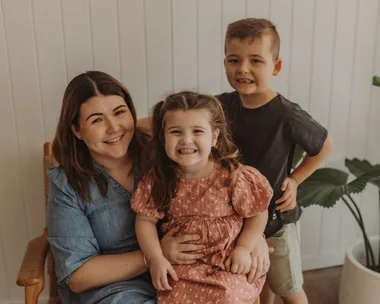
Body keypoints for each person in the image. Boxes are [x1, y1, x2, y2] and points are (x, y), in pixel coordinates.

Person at [47, 71, 207, 304]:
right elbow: (78, 275)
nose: (114, 128)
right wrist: (155, 255)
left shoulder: (162, 153)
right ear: (76, 130)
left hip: (184, 275)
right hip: (115, 290)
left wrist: (253, 238)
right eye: (97, 120)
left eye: (120, 113)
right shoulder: (67, 184)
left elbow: (209, 121)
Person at [217, 18, 333, 304]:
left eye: (255, 60)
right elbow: (178, 114)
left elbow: (324, 145)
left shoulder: (287, 115)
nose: (243, 69)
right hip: (240, 220)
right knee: (254, 282)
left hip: (275, 220)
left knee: (287, 288)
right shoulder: (222, 105)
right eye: (234, 60)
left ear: (275, 67)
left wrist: (294, 179)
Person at [131, 91, 273, 303]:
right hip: (184, 265)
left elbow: (257, 214)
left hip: (228, 263)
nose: (186, 140)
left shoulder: (232, 177)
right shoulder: (159, 179)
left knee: (227, 296)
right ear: (163, 138)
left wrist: (244, 248)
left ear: (214, 136)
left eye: (197, 131)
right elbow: (145, 221)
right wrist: (155, 258)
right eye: (176, 132)